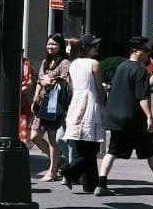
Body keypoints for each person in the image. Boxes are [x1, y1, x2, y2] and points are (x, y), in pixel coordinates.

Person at [95, 37, 153, 196]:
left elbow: (125, 89)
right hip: (134, 119)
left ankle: (101, 184)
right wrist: (149, 117)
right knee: (150, 149)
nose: (150, 53)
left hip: (117, 118)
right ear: (135, 51)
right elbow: (142, 97)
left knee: (113, 150)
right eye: (146, 50)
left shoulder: (120, 67)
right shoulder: (140, 70)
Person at [61, 34, 106, 193]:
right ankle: (67, 170)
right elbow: (99, 88)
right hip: (90, 105)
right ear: (86, 48)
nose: (97, 47)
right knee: (91, 149)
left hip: (76, 105)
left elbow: (72, 88)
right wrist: (104, 102)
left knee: (82, 148)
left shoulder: (73, 64)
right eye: (94, 45)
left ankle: (90, 184)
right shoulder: (94, 63)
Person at [30, 33, 71, 181]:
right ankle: (58, 162)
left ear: (60, 46)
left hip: (54, 102)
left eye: (54, 44)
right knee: (34, 136)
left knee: (53, 138)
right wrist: (35, 97)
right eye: (48, 44)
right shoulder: (44, 62)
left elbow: (66, 82)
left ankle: (52, 171)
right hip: (42, 102)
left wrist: (51, 81)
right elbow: (40, 81)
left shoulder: (65, 62)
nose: (50, 47)